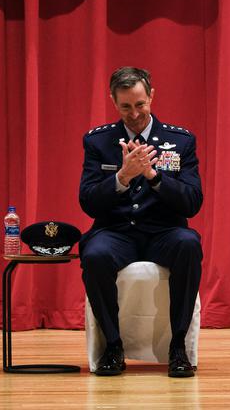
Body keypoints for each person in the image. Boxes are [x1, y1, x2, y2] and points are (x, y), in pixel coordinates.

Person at [79, 66, 203, 378]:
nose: (134, 114)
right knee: (94, 254)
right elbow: (88, 202)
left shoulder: (181, 141)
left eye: (140, 104)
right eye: (125, 106)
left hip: (165, 231)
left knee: (189, 244)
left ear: (151, 96)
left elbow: (192, 203)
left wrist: (153, 176)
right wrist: (122, 177)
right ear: (113, 101)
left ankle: (178, 349)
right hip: (117, 232)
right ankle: (113, 346)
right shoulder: (99, 142)